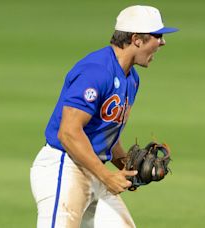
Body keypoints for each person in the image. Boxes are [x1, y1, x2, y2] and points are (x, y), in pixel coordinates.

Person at [30, 5, 178, 228]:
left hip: (93, 169)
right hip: (64, 167)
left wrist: (125, 166)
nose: (162, 42)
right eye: (158, 36)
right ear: (136, 39)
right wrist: (106, 176)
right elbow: (68, 133)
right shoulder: (95, 71)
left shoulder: (132, 78)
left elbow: (106, 130)